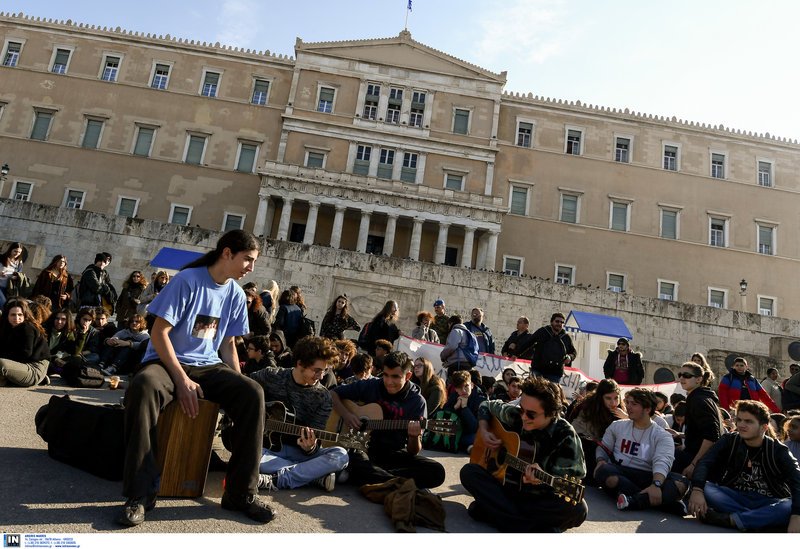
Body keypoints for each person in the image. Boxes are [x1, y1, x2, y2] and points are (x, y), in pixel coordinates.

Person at [117, 230, 274, 527]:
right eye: (248, 260)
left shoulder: (236, 294)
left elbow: (227, 344)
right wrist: (181, 379)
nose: (251, 268)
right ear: (227, 253)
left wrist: (237, 387)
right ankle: (140, 494)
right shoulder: (187, 281)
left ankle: (240, 494)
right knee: (144, 386)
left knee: (253, 392)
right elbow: (158, 333)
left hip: (208, 365)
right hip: (166, 360)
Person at [460, 376, 588, 533]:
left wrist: (543, 478)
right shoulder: (516, 414)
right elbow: (486, 405)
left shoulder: (566, 436)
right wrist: (485, 430)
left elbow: (574, 479)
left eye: (531, 414)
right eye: (521, 409)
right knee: (469, 472)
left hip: (538, 499)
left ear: (551, 413)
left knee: (578, 508)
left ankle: (501, 516)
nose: (523, 417)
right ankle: (531, 528)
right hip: (508, 489)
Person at [331, 350, 446, 490]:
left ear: (408, 376)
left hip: (393, 454)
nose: (389, 382)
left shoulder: (417, 402)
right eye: (385, 375)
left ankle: (381, 479)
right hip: (363, 449)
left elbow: (413, 451)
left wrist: (413, 437)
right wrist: (347, 415)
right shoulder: (372, 385)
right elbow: (333, 393)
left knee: (437, 471)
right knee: (355, 459)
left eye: (395, 377)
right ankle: (396, 483)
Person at [249, 336, 349, 492]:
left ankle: (278, 479)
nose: (321, 377)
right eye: (316, 370)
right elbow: (243, 388)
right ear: (300, 363)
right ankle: (314, 476)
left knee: (341, 455)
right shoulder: (272, 376)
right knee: (248, 453)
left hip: (299, 453)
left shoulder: (323, 397)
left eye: (324, 371)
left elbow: (315, 445)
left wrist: (310, 448)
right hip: (266, 448)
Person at [688, 400, 800, 532]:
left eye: (748, 421)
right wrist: (697, 490)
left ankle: (732, 520)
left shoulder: (778, 450)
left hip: (768, 500)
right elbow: (705, 462)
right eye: (739, 420)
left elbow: (797, 481)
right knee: (703, 487)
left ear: (764, 427)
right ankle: (759, 519)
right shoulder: (730, 440)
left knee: (788, 506)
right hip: (734, 497)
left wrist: (796, 515)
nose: (741, 425)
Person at [595, 388, 688, 514]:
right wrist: (600, 460)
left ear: (647, 409)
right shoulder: (617, 426)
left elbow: (663, 461)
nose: (628, 407)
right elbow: (604, 447)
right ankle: (663, 502)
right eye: (627, 402)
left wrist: (656, 484)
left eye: (634, 404)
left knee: (682, 483)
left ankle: (633, 500)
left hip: (649, 475)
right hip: (621, 471)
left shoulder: (662, 435)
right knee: (605, 471)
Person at [672, 360, 724, 477]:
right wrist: (681, 435)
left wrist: (694, 464)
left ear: (699, 379)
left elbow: (711, 436)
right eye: (680, 375)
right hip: (697, 457)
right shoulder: (699, 397)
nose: (682, 378)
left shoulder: (699, 401)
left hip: (700, 461)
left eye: (687, 375)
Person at [570, 378, 626, 480]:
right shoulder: (588, 407)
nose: (613, 403)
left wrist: (626, 418)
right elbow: (577, 429)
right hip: (586, 443)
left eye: (616, 398)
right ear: (600, 397)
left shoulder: (621, 411)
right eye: (608, 398)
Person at [0, 298, 50, 387]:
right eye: (13, 315)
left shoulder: (27, 327)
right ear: (7, 316)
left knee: (1, 364)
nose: (16, 318)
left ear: (25, 316)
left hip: (34, 368)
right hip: (20, 366)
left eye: (20, 315)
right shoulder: (7, 329)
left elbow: (25, 354)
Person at [444, 370, 487, 451]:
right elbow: (444, 417)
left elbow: (475, 427)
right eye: (460, 387)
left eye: (466, 386)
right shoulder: (454, 396)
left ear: (472, 385)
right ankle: (466, 447)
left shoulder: (481, 400)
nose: (463, 390)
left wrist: (464, 408)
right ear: (456, 389)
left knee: (477, 438)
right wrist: (455, 408)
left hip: (473, 433)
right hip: (458, 432)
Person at [529, 312, 577, 383]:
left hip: (555, 374)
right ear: (551, 322)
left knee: (552, 394)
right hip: (538, 370)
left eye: (562, 322)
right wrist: (516, 354)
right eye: (557, 321)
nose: (559, 324)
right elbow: (528, 342)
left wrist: (569, 357)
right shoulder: (543, 331)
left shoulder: (566, 337)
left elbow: (573, 352)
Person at [440, 314, 478, 378]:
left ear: (451, 323)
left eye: (448, 325)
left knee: (452, 387)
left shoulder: (456, 331)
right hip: (468, 366)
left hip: (457, 365)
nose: (448, 327)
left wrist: (443, 356)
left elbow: (451, 347)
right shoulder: (471, 334)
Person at [0, 242, 26, 308]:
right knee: (3, 305)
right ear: (10, 249)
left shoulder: (19, 263)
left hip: (9, 288)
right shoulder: (2, 258)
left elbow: (19, 274)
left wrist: (14, 277)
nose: (17, 254)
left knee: (7, 305)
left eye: (19, 252)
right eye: (15, 251)